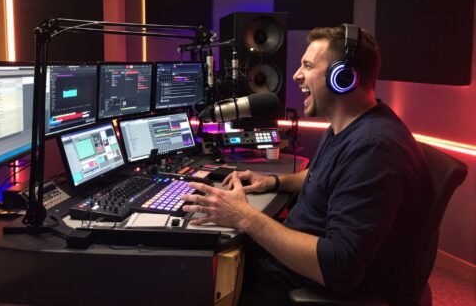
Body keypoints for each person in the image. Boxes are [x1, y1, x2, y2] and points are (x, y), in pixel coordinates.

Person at [181, 25, 431, 305]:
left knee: (189, 277)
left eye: (308, 66)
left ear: (343, 77)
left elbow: (340, 268)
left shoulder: (373, 149)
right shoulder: (347, 128)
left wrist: (244, 216)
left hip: (303, 287)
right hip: (287, 267)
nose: (296, 75)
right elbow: (323, 177)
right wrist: (273, 181)